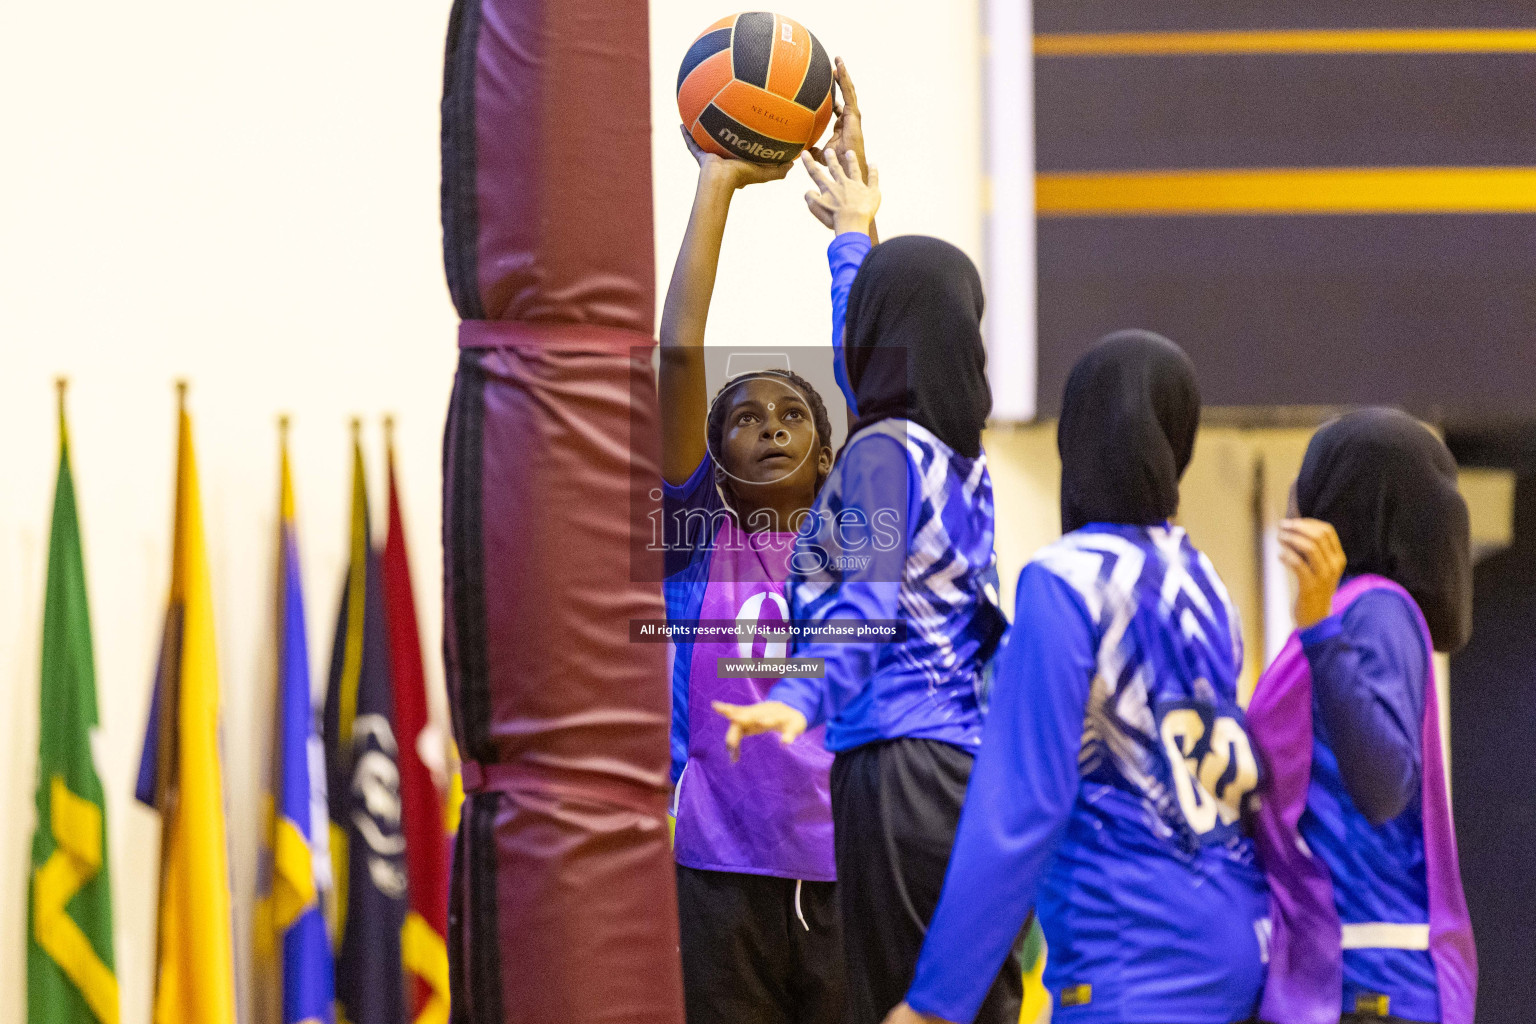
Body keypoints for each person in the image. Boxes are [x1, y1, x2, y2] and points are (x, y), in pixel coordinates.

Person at [714, 148, 1020, 1024]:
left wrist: (798, 700)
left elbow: (867, 607)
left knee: (905, 1010)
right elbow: (870, 371)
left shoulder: (884, 455)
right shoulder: (961, 464)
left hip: (896, 771)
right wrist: (853, 235)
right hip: (962, 769)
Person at [884, 331, 1271, 1024]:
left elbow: (1024, 801)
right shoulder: (1207, 585)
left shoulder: (1068, 579)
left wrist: (935, 1002)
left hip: (1131, 957)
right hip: (1240, 944)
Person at [656, 58, 872, 1024]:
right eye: (745, 416)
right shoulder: (697, 544)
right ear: (713, 457)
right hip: (714, 876)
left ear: (830, 460)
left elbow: (879, 387)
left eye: (795, 413)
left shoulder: (859, 543)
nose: (774, 423)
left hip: (846, 874)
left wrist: (856, 236)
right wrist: (716, 182)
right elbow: (679, 353)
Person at [1247, 409, 1477, 1024]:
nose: (1299, 492)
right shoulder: (1354, 610)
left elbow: (1383, 786)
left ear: (1353, 494)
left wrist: (1319, 624)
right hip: (1339, 972)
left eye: (1315, 472)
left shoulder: (1375, 609)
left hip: (1374, 979)